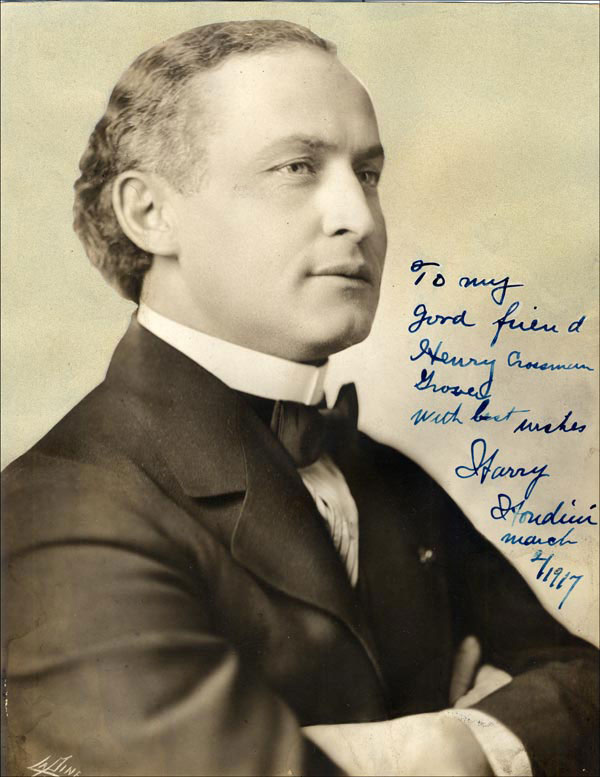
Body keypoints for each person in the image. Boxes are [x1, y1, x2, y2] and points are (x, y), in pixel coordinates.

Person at [2, 20, 597, 777]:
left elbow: (584, 685)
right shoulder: (56, 510)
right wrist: (472, 740)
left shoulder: (387, 474)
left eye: (368, 174)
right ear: (150, 214)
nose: (360, 217)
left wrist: (443, 746)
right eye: (297, 167)